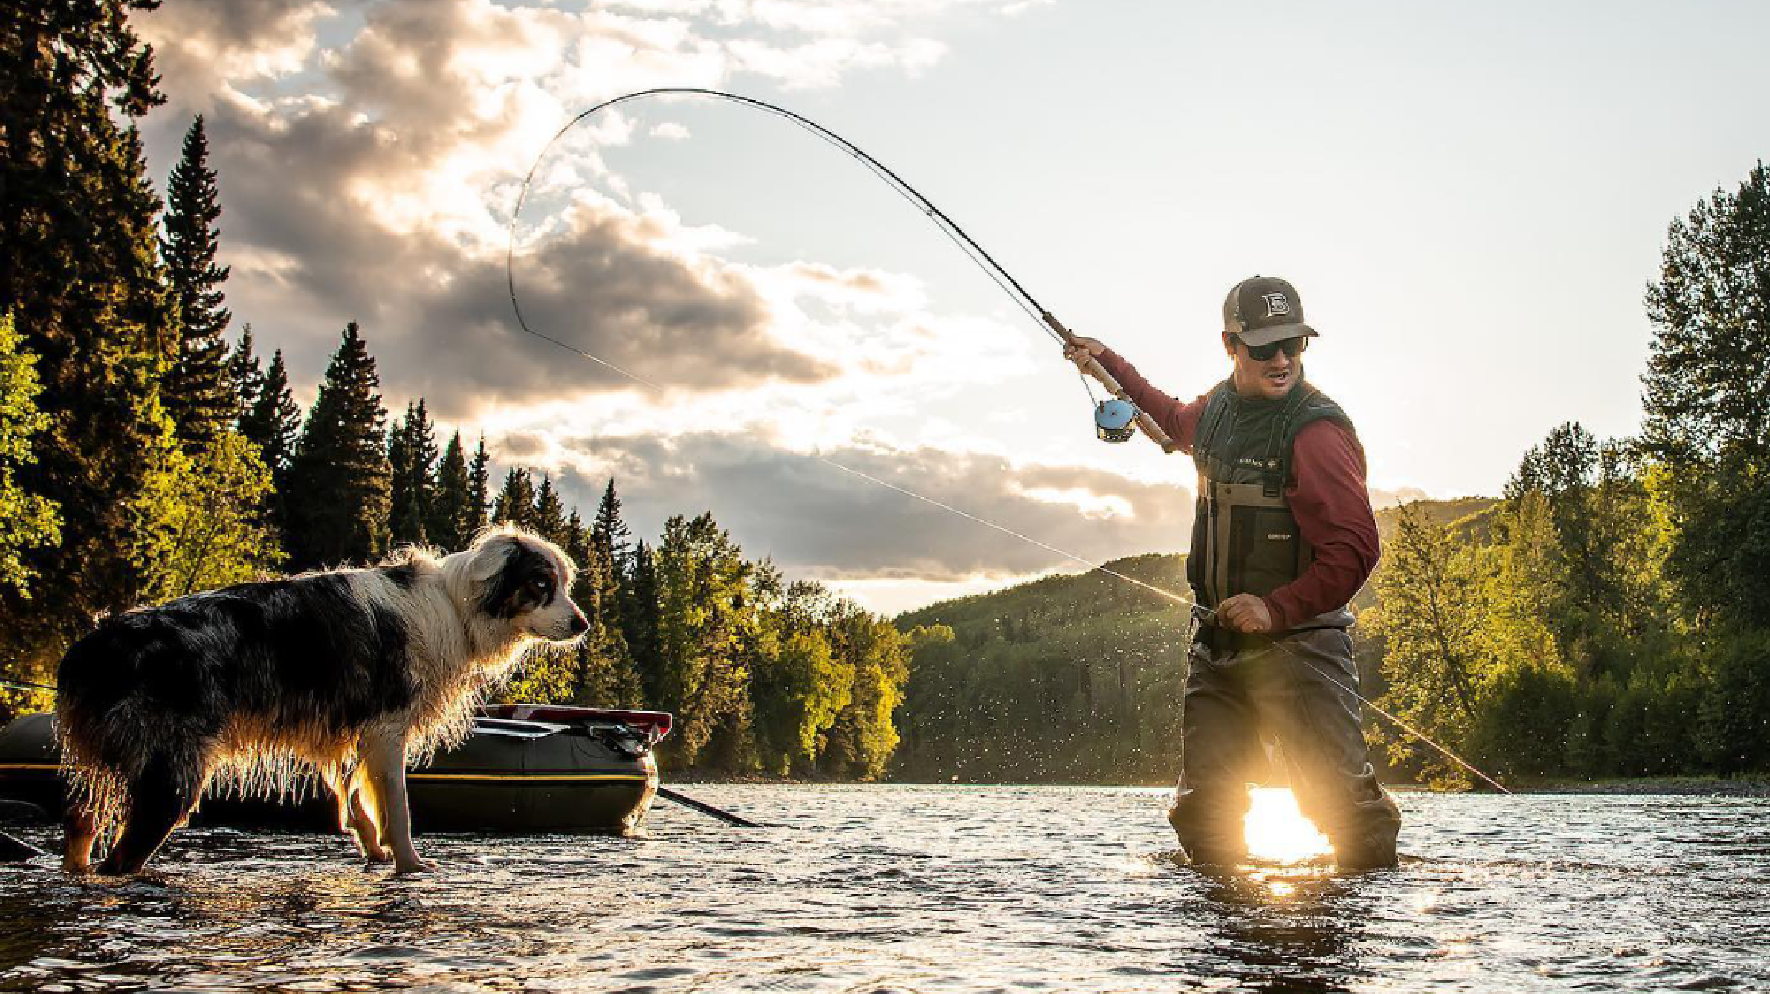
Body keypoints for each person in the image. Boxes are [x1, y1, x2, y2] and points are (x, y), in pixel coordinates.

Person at [1065, 275, 1400, 869]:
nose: (1280, 360)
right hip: (1218, 646)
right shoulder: (1218, 409)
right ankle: (1225, 946)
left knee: (1347, 817)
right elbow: (1170, 421)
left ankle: (1356, 938)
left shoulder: (1318, 432)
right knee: (1205, 817)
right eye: (1264, 347)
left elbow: (1356, 550)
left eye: (1292, 346)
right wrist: (1105, 364)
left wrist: (1275, 609)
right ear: (1231, 345)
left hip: (1302, 650)